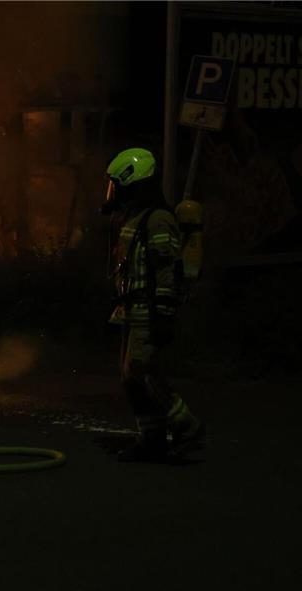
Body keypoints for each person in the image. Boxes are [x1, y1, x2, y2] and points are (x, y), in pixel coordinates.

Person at [102, 149, 205, 462]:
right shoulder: (136, 217)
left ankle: (187, 427)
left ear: (135, 183)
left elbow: (166, 271)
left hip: (149, 310)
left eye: (118, 186)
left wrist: (163, 316)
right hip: (132, 309)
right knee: (130, 376)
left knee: (143, 373)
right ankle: (152, 439)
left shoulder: (158, 219)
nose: (113, 193)